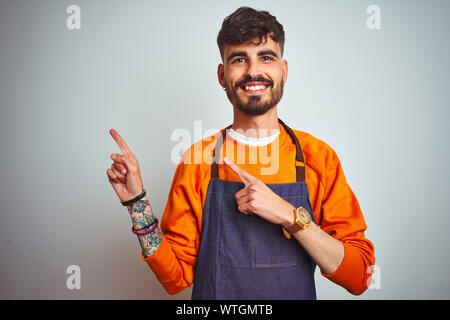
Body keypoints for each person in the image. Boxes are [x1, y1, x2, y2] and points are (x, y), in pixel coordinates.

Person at [106, 6, 375, 300]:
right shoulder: (197, 161)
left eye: (266, 57)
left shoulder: (319, 158)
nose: (253, 71)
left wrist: (289, 215)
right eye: (239, 59)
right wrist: (136, 204)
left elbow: (358, 275)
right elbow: (176, 278)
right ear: (222, 75)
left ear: (283, 71)